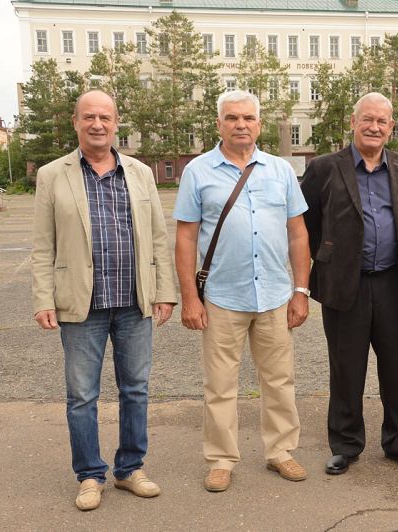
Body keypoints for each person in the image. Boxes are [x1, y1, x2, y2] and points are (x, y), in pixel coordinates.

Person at [31, 89, 178, 511]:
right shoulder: (53, 175)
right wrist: (43, 298)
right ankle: (90, 475)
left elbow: (157, 237)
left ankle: (130, 468)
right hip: (81, 305)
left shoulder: (139, 173)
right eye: (89, 117)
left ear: (116, 123)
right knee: (81, 396)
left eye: (105, 117)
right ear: (76, 122)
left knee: (136, 389)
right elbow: (43, 245)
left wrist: (165, 291)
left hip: (134, 301)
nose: (98, 124)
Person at [173, 90, 311, 493]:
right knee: (219, 385)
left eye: (248, 118)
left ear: (259, 125)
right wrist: (189, 297)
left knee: (279, 380)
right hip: (222, 296)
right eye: (232, 118)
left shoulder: (280, 171)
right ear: (219, 124)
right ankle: (220, 459)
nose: (241, 125)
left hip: (274, 295)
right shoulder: (198, 171)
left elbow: (298, 233)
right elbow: (185, 238)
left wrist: (300, 290)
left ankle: (280, 451)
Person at [301, 92, 398, 475]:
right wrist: (329, 254)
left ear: (391, 127)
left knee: (397, 366)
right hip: (344, 285)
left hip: (393, 282)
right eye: (367, 119)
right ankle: (345, 443)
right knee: (346, 368)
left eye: (381, 121)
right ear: (353, 123)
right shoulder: (323, 168)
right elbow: (306, 224)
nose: (374, 127)